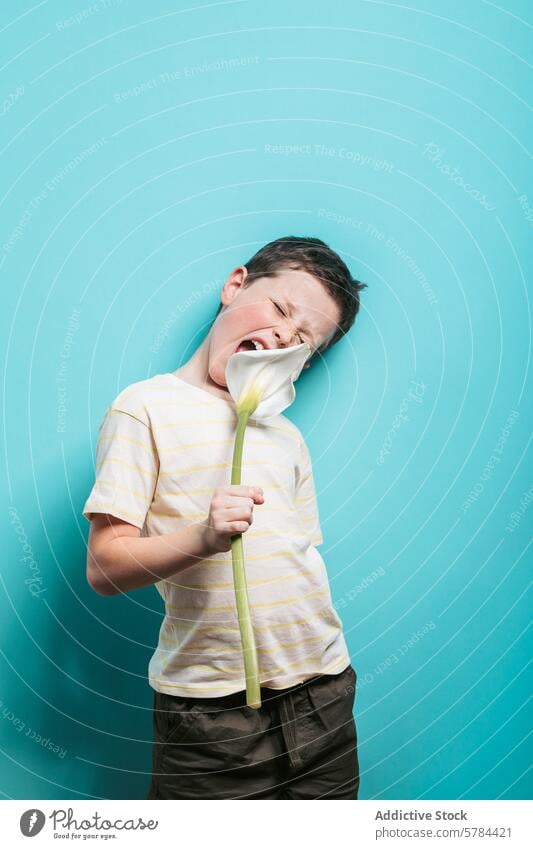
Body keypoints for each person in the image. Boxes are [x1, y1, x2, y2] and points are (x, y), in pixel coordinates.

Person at [82, 235, 367, 799]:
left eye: (303, 341)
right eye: (282, 309)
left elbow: (299, 556)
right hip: (211, 716)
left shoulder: (285, 435)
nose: (285, 336)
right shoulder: (144, 408)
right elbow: (104, 569)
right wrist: (205, 537)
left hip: (324, 693)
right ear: (236, 285)